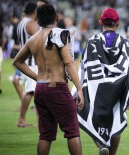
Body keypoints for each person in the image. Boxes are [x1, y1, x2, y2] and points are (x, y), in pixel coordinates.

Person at [13, 4, 84, 155]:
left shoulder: (33, 39)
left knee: (45, 135)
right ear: (56, 17)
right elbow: (69, 62)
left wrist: (37, 77)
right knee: (72, 130)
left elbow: (17, 62)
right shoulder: (61, 33)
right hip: (57, 88)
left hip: (41, 89)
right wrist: (79, 89)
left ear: (38, 20)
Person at [73, 7, 129, 155]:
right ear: (118, 23)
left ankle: (102, 144)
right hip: (118, 89)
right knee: (116, 121)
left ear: (101, 22)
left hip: (95, 89)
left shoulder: (91, 42)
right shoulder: (125, 43)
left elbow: (84, 67)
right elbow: (128, 69)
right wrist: (128, 94)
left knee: (87, 117)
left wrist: (79, 90)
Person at [16, 2, 39, 127]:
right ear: (34, 11)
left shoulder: (21, 23)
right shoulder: (30, 24)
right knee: (30, 91)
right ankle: (21, 119)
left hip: (25, 61)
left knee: (35, 92)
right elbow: (40, 39)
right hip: (32, 62)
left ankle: (38, 120)